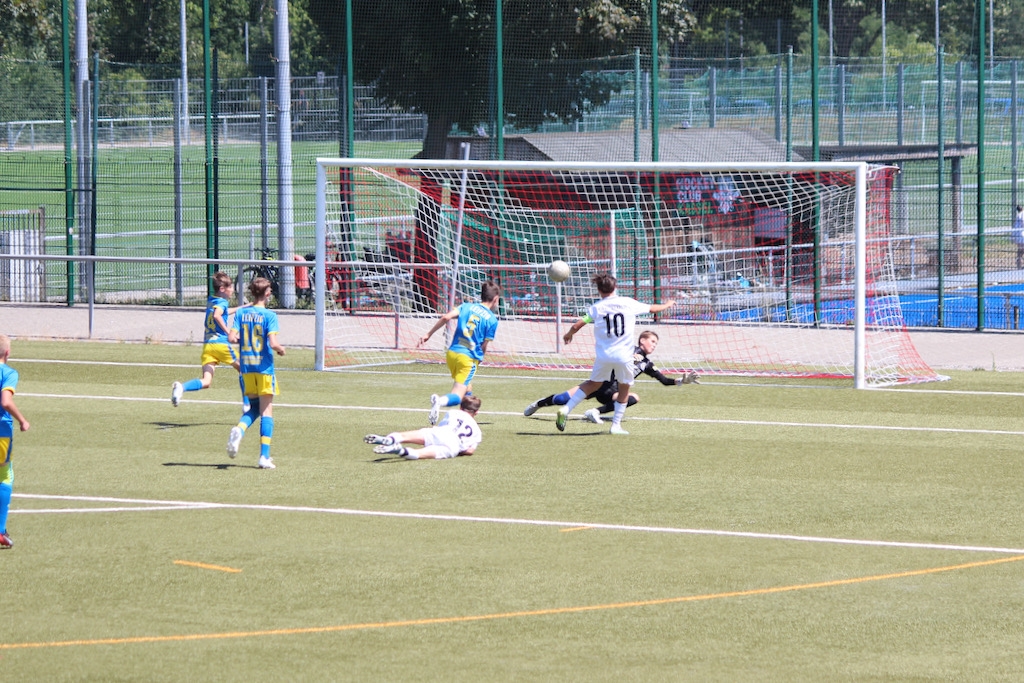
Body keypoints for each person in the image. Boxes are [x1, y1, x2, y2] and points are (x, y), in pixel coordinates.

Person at [555, 273, 675, 435]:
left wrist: (569, 334)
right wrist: (667, 304)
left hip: (603, 355)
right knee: (624, 387)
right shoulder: (627, 303)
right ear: (615, 287)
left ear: (599, 290)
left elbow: (578, 325)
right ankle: (615, 426)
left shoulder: (596, 307)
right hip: (624, 355)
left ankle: (566, 409)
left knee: (592, 384)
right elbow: (653, 309)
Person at [523, 330, 699, 423]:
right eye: (652, 341)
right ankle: (538, 404)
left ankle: (595, 412)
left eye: (656, 343)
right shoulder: (628, 349)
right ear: (642, 340)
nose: (654, 345)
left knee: (633, 397)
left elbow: (664, 380)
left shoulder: (647, 364)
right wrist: (628, 357)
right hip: (598, 383)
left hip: (613, 392)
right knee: (562, 399)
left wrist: (681, 381)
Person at [418, 280, 501, 426]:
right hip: (467, 358)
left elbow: (446, 317)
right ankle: (439, 401)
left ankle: (466, 417)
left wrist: (428, 334)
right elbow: (484, 345)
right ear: (495, 299)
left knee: (467, 386)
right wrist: (479, 359)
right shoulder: (492, 320)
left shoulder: (466, 306)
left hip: (452, 353)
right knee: (457, 394)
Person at [226, 278, 286, 469]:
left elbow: (231, 337)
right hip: (264, 369)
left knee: (253, 408)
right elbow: (273, 343)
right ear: (267, 293)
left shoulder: (241, 313)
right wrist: (281, 349)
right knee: (267, 411)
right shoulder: (270, 315)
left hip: (246, 368)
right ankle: (264, 457)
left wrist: (242, 340)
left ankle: (240, 429)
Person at [171, 272, 249, 409]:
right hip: (220, 344)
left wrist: (243, 307)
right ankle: (247, 404)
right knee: (245, 369)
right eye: (230, 287)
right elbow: (217, 315)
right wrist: (229, 333)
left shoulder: (211, 300)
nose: (232, 290)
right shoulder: (222, 303)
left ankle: (181, 388)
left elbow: (223, 311)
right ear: (222, 289)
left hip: (208, 346)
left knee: (206, 381)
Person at [365, 395, 482, 460]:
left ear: (461, 407)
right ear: (476, 412)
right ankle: (400, 451)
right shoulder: (477, 431)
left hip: (442, 433)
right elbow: (470, 451)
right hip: (453, 447)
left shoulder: (453, 413)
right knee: (419, 454)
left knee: (404, 436)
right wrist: (460, 450)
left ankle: (390, 440)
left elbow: (445, 426)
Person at [0, 335, 30, 549]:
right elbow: (6, 401)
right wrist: (22, 420)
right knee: (4, 475)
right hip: (1, 431)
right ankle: (0, 529)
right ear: (8, 352)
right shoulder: (9, 373)